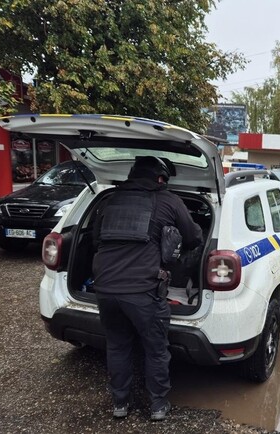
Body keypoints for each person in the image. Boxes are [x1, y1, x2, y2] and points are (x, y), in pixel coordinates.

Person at [92, 156, 203, 421]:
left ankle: (120, 404)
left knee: (117, 346)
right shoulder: (169, 200)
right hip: (143, 291)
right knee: (155, 350)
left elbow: (95, 238)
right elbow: (193, 237)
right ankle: (157, 406)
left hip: (105, 289)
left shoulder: (109, 200)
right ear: (161, 179)